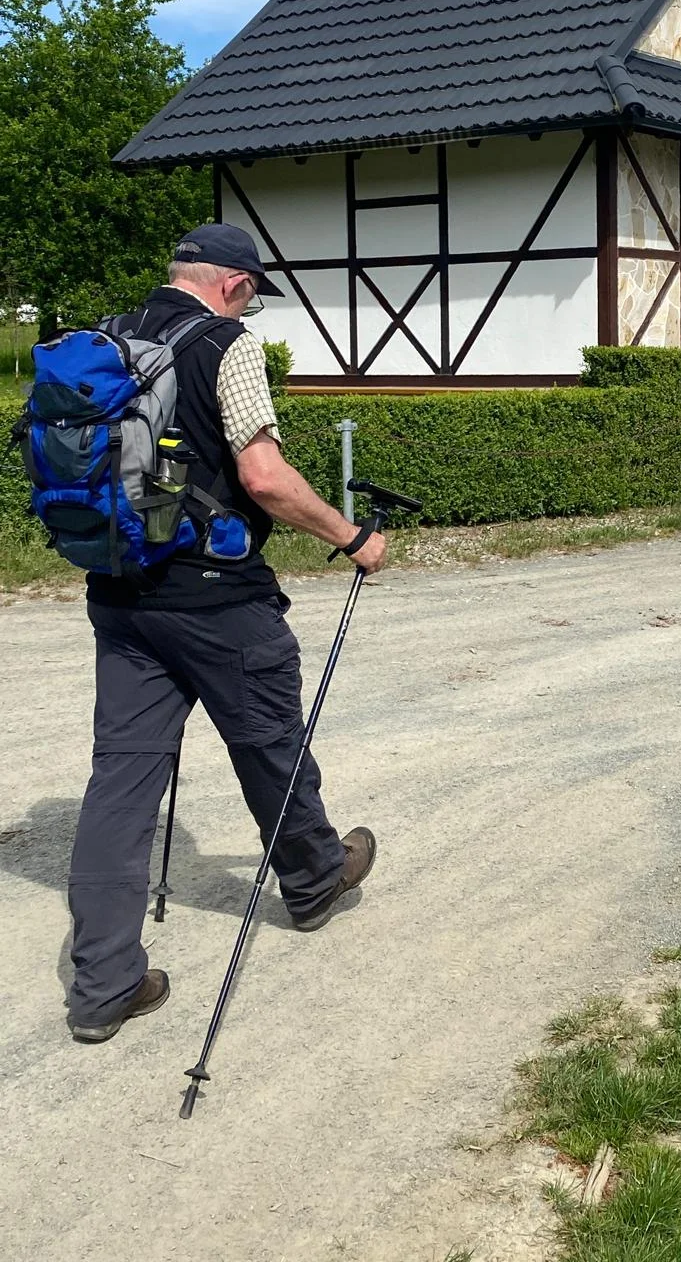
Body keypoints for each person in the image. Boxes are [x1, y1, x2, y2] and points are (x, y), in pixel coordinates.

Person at [66, 224, 388, 1044]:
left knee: (121, 783)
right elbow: (263, 478)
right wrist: (351, 538)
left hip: (122, 593)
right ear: (236, 286)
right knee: (269, 743)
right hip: (217, 599)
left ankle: (103, 983)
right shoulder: (228, 345)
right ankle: (315, 880)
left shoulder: (111, 338)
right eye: (252, 295)